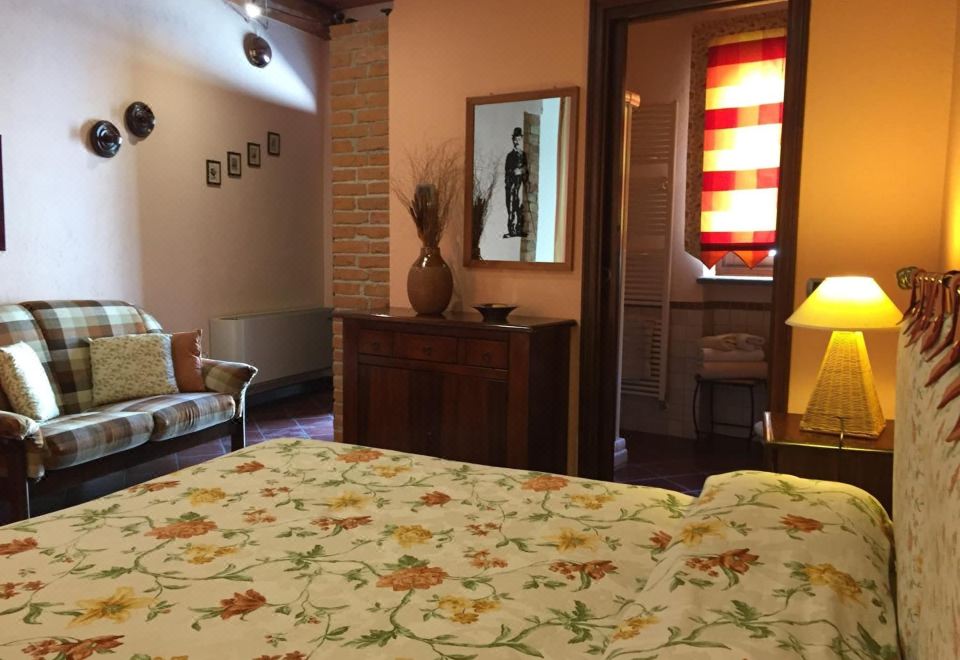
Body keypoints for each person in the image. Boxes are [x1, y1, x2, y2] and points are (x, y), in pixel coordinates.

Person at [504, 127, 529, 238]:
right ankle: (511, 230)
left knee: (520, 208)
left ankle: (519, 229)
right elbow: (507, 171)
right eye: (515, 139)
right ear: (513, 140)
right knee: (511, 208)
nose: (517, 141)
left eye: (519, 139)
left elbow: (526, 169)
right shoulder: (510, 156)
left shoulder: (524, 155)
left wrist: (521, 171)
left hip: (520, 186)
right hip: (511, 186)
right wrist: (514, 172)